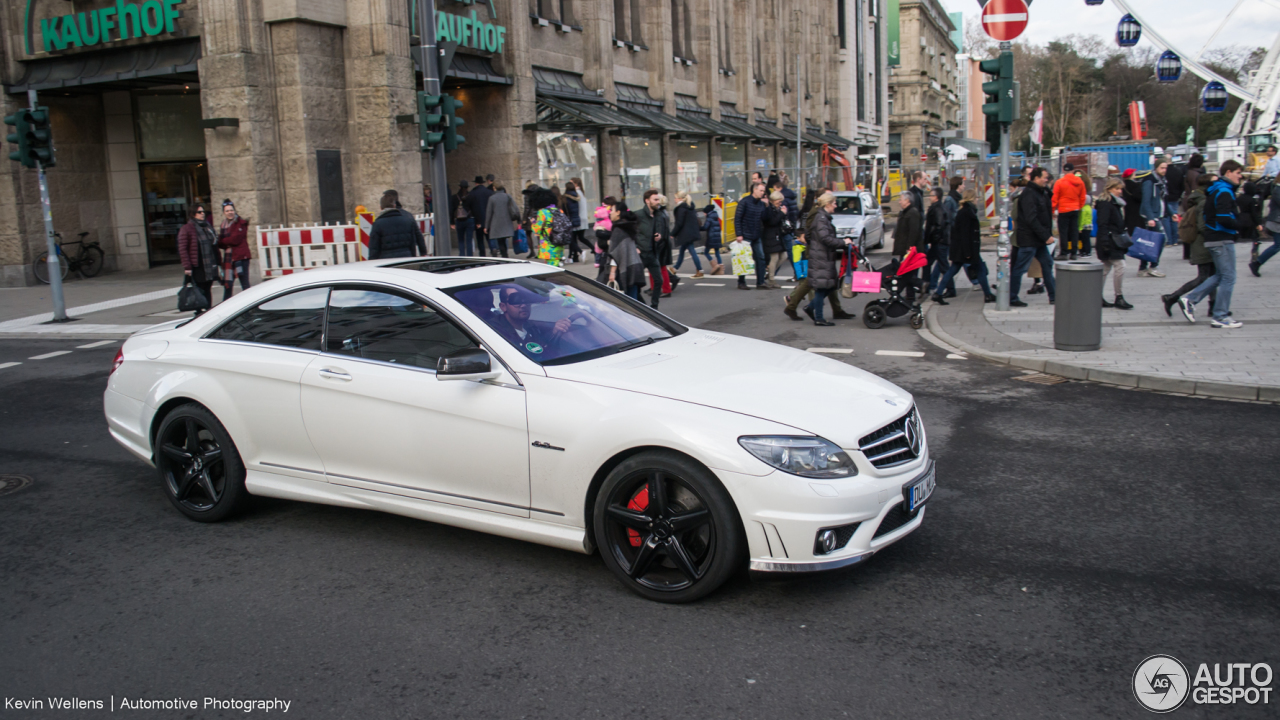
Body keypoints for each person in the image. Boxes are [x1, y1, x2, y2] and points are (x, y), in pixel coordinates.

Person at [1178, 160, 1245, 328]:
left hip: (1215, 238)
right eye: (1238, 172)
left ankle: (1190, 299)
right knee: (1228, 277)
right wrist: (1240, 225)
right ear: (1228, 172)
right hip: (1220, 238)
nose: (1241, 176)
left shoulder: (1216, 189)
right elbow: (1222, 217)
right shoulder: (1224, 191)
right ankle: (1220, 315)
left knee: (1221, 275)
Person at [1163, 173, 1219, 315]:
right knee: (1203, 277)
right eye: (1215, 182)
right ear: (1208, 185)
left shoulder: (1200, 198)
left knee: (1211, 276)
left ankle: (1213, 307)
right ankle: (1172, 297)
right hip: (1203, 244)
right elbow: (1202, 226)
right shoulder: (1203, 202)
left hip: (1203, 243)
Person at [934, 186, 995, 304]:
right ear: (972, 198)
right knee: (980, 269)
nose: (977, 199)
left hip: (962, 249)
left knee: (953, 270)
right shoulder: (966, 213)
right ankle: (987, 295)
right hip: (966, 249)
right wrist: (968, 253)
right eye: (976, 197)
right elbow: (965, 234)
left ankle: (938, 292)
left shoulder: (966, 211)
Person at [803, 192, 854, 326]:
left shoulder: (822, 218)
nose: (836, 206)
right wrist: (843, 242)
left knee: (830, 286)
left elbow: (809, 234)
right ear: (827, 204)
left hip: (822, 255)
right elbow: (825, 239)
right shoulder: (821, 219)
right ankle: (818, 317)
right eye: (834, 203)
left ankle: (811, 308)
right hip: (821, 257)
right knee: (822, 288)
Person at [1009, 167, 1056, 307]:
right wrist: (1046, 236)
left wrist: (1047, 189)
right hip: (1029, 239)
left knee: (1047, 264)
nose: (1046, 180)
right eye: (1044, 177)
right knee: (1020, 268)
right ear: (1036, 178)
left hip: (1038, 240)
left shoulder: (1041, 192)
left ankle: (1054, 296)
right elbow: (1031, 219)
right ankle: (1011, 298)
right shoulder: (1029, 194)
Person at [492, 286, 571, 353]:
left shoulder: (530, 326)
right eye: (516, 300)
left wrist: (554, 332)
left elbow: (544, 350)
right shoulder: (495, 332)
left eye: (526, 300)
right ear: (503, 306)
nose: (523, 305)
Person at [1093, 178, 1133, 309]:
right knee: (1120, 266)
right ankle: (1119, 296)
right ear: (1109, 188)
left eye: (1121, 189)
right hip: (1110, 240)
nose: (1120, 191)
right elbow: (1102, 223)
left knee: (1105, 268)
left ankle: (1097, 296)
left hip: (1113, 239)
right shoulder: (1106, 203)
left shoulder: (1116, 203)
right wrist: (1104, 241)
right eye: (1117, 189)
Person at [177, 204, 220, 313]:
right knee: (199, 290)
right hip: (198, 266)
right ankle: (199, 312)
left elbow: (214, 245)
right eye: (199, 212)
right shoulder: (187, 228)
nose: (202, 214)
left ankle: (208, 311)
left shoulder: (207, 227)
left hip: (209, 265)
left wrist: (219, 262)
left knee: (208, 288)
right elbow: (183, 248)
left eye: (203, 212)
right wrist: (187, 266)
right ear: (193, 214)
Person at [1135, 160, 1171, 277]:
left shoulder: (1161, 181)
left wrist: (1171, 213)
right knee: (1161, 240)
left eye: (1166, 168)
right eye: (1162, 168)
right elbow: (1146, 201)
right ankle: (1153, 266)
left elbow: (1162, 200)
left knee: (1148, 242)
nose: (1164, 170)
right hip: (1151, 216)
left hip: (1157, 214)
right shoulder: (1150, 181)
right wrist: (1150, 217)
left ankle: (1143, 267)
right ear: (1156, 168)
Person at [368, 189, 426, 259]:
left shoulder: (378, 224)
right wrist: (422, 253)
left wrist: (372, 261)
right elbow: (417, 236)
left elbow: (374, 247)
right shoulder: (408, 218)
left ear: (381, 208)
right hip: (407, 258)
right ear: (394, 205)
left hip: (387, 261)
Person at [635, 189, 669, 308]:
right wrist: (635, 247)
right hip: (641, 253)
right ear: (647, 201)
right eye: (655, 200)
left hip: (653, 253)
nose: (658, 202)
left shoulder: (658, 215)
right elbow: (629, 231)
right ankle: (641, 306)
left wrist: (658, 236)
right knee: (636, 284)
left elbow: (659, 230)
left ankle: (654, 307)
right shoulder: (638, 215)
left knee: (659, 280)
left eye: (658, 199)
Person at [733, 181, 769, 289]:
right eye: (761, 190)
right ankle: (741, 282)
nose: (763, 193)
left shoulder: (761, 204)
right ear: (755, 190)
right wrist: (739, 234)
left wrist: (767, 206)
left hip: (756, 234)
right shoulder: (745, 202)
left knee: (761, 257)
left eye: (764, 191)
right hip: (745, 235)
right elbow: (737, 218)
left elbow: (766, 218)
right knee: (744, 258)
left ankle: (760, 282)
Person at [607, 202, 646, 300]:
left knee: (629, 302)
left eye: (612, 210)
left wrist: (612, 272)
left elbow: (615, 253)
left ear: (618, 212)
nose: (610, 213)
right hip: (635, 266)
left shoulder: (618, 230)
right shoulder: (629, 226)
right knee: (634, 299)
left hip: (626, 269)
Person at [216, 199, 251, 302]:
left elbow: (235, 239)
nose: (230, 213)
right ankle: (225, 305)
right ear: (224, 212)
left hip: (241, 257)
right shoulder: (223, 225)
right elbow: (220, 243)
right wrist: (222, 241)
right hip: (229, 259)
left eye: (231, 210)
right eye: (227, 211)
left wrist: (222, 241)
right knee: (228, 285)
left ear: (234, 210)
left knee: (245, 284)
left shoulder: (241, 223)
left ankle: (251, 304)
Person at [1052, 162, 1088, 260]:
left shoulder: (1059, 182)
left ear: (1063, 170)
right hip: (1075, 208)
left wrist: (1052, 210)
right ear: (1073, 171)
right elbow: (1082, 197)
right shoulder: (1080, 182)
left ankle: (1064, 253)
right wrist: (1079, 206)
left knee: (1063, 232)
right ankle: (1074, 253)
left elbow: (1055, 197)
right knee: (1074, 231)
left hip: (1063, 209)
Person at [530, 187, 569, 268]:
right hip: (559, 243)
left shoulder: (543, 212)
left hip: (548, 246)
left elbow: (536, 230)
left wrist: (533, 222)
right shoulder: (558, 210)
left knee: (551, 271)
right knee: (555, 267)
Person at [924, 187, 952, 298]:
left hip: (940, 242)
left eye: (931, 195)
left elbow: (939, 226)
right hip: (939, 241)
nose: (930, 197)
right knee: (928, 262)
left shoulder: (938, 208)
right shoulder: (938, 207)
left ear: (936, 197)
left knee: (943, 265)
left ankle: (950, 288)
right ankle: (926, 284)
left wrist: (934, 238)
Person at [1250, 177, 1280, 276]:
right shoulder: (1277, 190)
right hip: (1277, 222)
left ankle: (1257, 263)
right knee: (1277, 245)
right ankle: (1257, 263)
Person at [760, 191, 790, 288]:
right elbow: (772, 221)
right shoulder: (769, 209)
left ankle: (770, 274)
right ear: (773, 200)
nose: (780, 203)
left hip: (777, 235)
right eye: (778, 201)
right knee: (774, 257)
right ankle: (771, 279)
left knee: (784, 255)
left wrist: (783, 213)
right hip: (770, 235)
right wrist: (782, 213)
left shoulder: (776, 208)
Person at [671, 191, 704, 278]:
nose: (674, 200)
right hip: (690, 232)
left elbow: (679, 223)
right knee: (682, 250)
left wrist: (673, 233)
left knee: (692, 251)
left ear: (680, 199)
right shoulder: (690, 206)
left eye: (675, 198)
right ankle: (675, 268)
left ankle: (700, 270)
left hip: (686, 233)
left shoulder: (681, 208)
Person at [484, 184, 521, 258]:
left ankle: (504, 255)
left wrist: (486, 226)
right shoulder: (507, 196)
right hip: (507, 222)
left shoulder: (492, 198)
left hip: (496, 223)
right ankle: (505, 255)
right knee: (503, 240)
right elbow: (515, 209)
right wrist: (519, 220)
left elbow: (489, 213)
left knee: (500, 241)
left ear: (494, 188)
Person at [466, 175, 495, 257]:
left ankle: (482, 254)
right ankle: (493, 249)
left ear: (476, 183)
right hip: (488, 219)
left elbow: (469, 206)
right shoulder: (489, 192)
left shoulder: (473, 193)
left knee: (480, 239)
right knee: (489, 237)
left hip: (477, 219)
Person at [562, 178, 585, 262]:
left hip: (569, 220)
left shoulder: (566, 198)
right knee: (573, 238)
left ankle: (580, 252)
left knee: (571, 239)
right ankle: (572, 257)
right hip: (576, 219)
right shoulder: (576, 196)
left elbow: (565, 209)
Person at [593, 196, 616, 281]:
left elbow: (615, 233)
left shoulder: (615, 218)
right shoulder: (602, 217)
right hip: (604, 250)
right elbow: (598, 233)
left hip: (612, 252)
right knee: (602, 276)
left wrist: (605, 233)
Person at [449, 180, 474, 255]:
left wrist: (452, 222)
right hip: (469, 219)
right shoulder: (471, 196)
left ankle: (462, 256)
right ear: (467, 187)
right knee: (469, 240)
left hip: (459, 220)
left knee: (460, 240)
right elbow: (475, 209)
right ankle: (470, 256)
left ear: (459, 187)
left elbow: (452, 210)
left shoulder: (454, 197)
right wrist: (478, 221)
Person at [701, 204, 724, 274]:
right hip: (717, 237)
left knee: (706, 252)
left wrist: (698, 228)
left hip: (711, 238)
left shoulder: (709, 218)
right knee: (717, 252)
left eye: (704, 213)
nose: (704, 214)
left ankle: (715, 265)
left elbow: (705, 227)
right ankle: (721, 270)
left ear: (707, 212)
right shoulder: (715, 216)